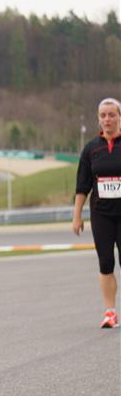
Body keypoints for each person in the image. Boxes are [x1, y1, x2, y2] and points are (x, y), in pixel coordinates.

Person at [73, 97, 121, 329]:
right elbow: (82, 186)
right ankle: (110, 312)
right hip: (101, 214)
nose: (107, 119)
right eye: (103, 115)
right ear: (98, 119)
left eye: (112, 114)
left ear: (119, 117)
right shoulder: (91, 149)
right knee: (106, 262)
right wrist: (77, 216)